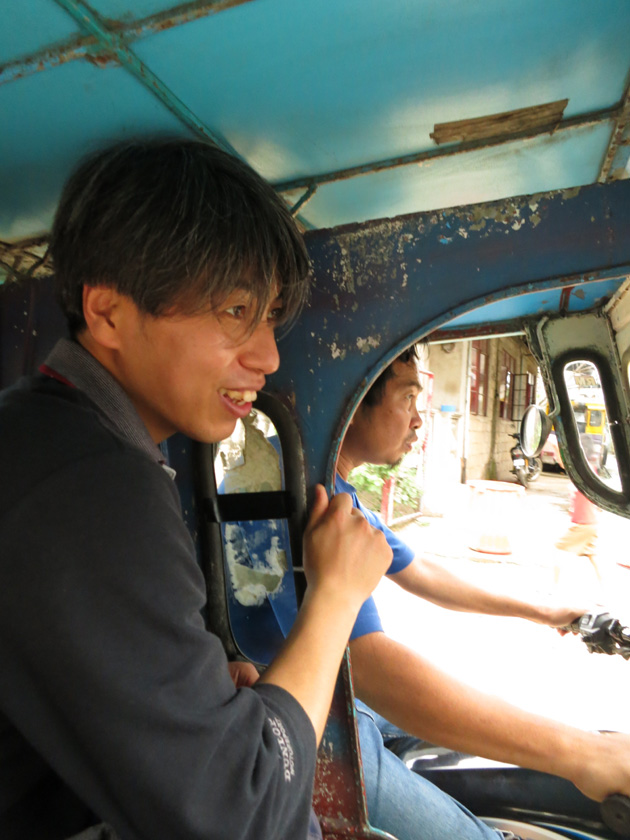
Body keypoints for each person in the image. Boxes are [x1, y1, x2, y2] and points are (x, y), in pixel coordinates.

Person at [0, 140, 393, 840]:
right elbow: (241, 819)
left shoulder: (47, 436)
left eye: (269, 316)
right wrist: (336, 596)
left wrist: (206, 704)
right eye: (235, 311)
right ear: (109, 314)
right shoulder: (91, 486)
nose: (267, 356)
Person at [336, 345, 630, 840]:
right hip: (312, 735)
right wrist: (583, 754)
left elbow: (423, 571)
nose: (417, 422)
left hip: (341, 704)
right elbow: (370, 666)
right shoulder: (306, 499)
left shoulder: (339, 495)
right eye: (408, 399)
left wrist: (545, 610)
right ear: (355, 396)